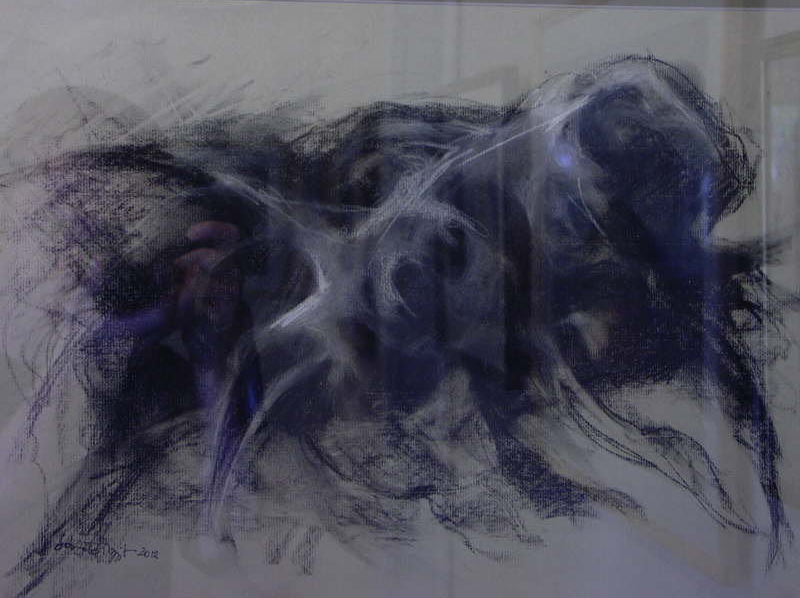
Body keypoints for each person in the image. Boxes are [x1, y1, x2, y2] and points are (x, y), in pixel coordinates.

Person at [4, 55, 792, 596]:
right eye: (511, 140)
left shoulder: (421, 475)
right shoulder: (235, 228)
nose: (468, 184)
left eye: (566, 220)